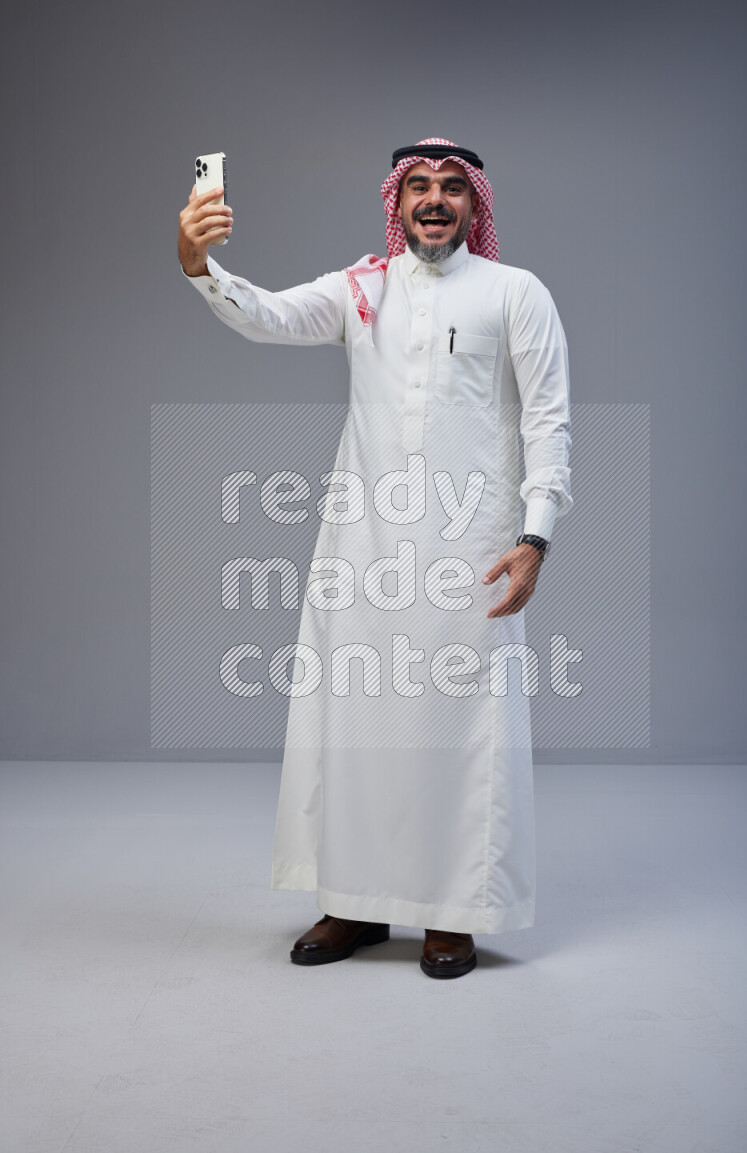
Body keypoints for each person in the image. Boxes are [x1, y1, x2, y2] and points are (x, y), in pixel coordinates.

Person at [178, 138, 572, 979]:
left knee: (458, 730)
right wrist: (199, 266)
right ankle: (352, 902)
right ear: (396, 203)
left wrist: (534, 536)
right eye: (418, 186)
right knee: (354, 725)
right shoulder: (363, 289)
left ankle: (451, 913)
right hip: (361, 547)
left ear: (475, 205)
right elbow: (269, 314)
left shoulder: (516, 293)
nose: (434, 200)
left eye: (452, 188)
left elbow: (549, 421)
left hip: (471, 550)